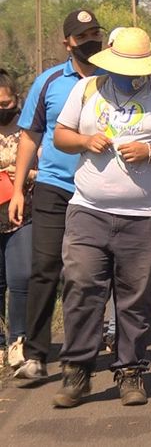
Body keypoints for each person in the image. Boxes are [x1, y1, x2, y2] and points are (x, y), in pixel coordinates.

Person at [51, 27, 151, 408]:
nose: (128, 74)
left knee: (137, 298)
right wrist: (84, 141)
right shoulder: (86, 91)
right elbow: (60, 136)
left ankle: (130, 371)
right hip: (89, 209)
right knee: (81, 286)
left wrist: (150, 152)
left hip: (147, 216)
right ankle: (77, 371)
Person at [9, 9, 104, 380]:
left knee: (88, 276)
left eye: (96, 33)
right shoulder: (47, 82)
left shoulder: (112, 80)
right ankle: (35, 354)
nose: (90, 41)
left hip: (98, 193)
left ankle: (84, 351)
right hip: (54, 187)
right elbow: (30, 136)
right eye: (82, 37)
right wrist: (18, 189)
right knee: (45, 269)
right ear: (68, 43)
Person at [0, 70, 34, 370]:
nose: (2, 109)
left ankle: (17, 339)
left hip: (24, 214)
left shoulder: (29, 128)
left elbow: (49, 162)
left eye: (5, 103)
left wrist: (26, 175)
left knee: (20, 277)